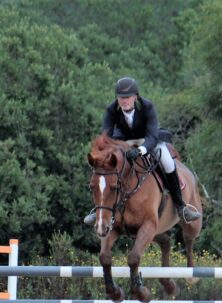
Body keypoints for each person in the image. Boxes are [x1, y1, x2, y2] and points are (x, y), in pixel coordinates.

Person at [84, 77, 202, 225]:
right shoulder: (111, 110)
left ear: (135, 96)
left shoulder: (147, 107)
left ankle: (181, 206)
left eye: (127, 97)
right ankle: (98, 210)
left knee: (167, 162)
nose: (124, 101)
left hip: (148, 140)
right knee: (105, 168)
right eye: (121, 97)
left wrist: (140, 150)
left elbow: (152, 136)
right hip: (123, 143)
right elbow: (106, 136)